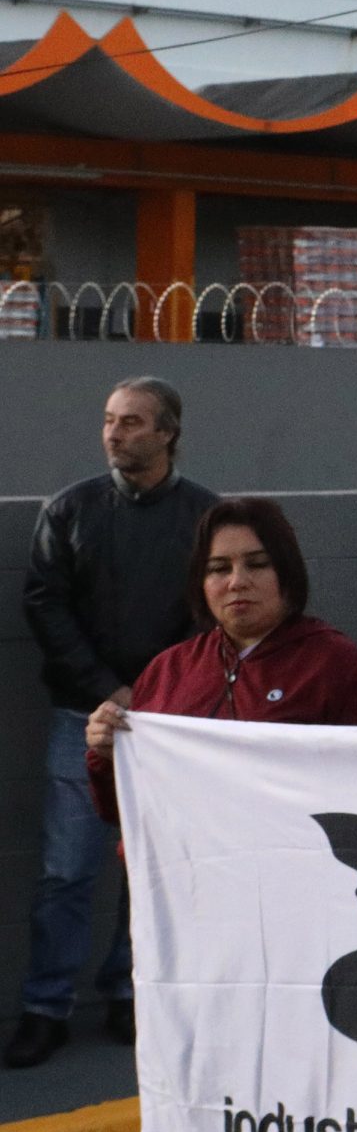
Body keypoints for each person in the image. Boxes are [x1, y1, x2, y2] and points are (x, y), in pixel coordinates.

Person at [8, 377, 218, 1070]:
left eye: (131, 422)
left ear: (167, 432)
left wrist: (157, 693)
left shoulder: (205, 515)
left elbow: (212, 614)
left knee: (149, 867)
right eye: (108, 420)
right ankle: (46, 1005)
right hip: (83, 715)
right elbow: (46, 606)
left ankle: (131, 993)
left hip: (168, 725)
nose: (114, 433)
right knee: (66, 869)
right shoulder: (70, 509)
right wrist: (107, 688)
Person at [86, 497, 357, 819]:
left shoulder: (343, 668)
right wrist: (107, 754)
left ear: (287, 571)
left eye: (257, 564)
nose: (237, 581)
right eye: (218, 568)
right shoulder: (168, 671)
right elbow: (123, 812)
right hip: (184, 866)